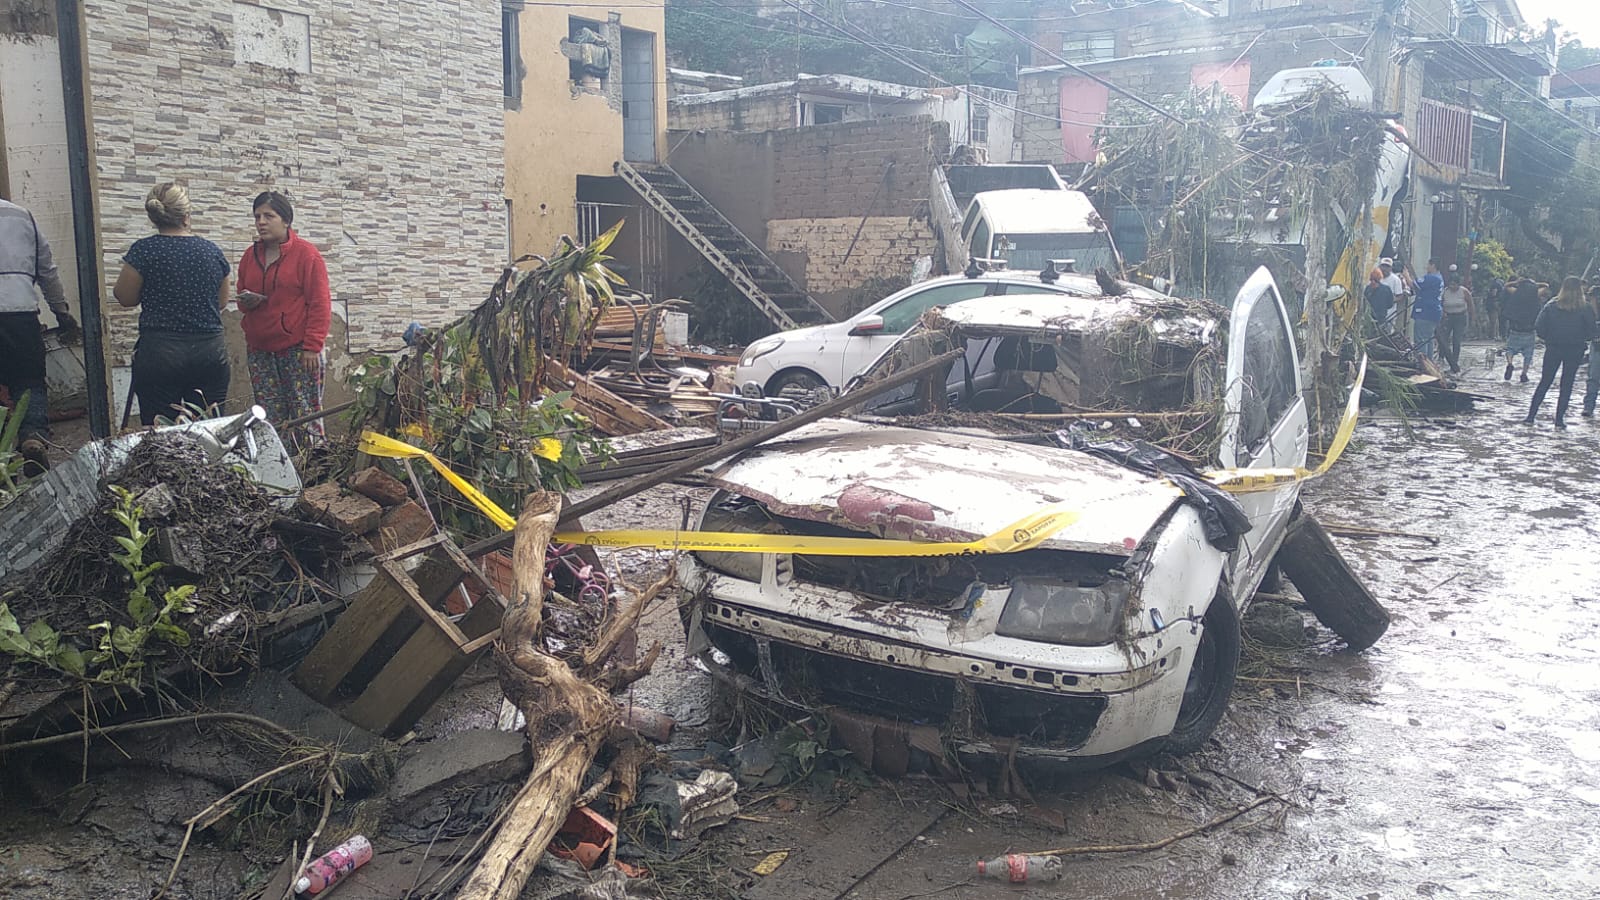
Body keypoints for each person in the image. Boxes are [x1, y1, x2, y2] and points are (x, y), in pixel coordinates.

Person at [113, 182, 232, 425]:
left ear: (154, 217)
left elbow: (125, 298)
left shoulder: (144, 251)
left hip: (161, 355)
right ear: (186, 216)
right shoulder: (212, 252)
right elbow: (221, 302)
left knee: (161, 432)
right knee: (208, 428)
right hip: (209, 353)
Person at [235, 191, 330, 447]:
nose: (261, 222)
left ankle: (314, 466)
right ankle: (279, 464)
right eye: (257, 217)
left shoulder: (306, 255)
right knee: (270, 416)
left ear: (286, 220)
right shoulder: (250, 256)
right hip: (261, 351)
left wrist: (312, 346)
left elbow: (320, 303)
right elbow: (240, 296)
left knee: (304, 412)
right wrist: (247, 301)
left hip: (298, 350)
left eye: (269, 216)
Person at [0, 194, 78, 475]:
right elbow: (47, 271)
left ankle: (2, 459)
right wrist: (61, 312)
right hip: (20, 313)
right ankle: (32, 436)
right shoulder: (22, 216)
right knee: (29, 381)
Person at [1524, 276, 1597, 429]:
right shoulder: (1586, 308)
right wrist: (1581, 338)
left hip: (1554, 348)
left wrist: (1549, 338)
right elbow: (1592, 331)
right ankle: (1559, 420)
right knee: (1567, 383)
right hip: (1575, 349)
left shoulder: (1551, 305)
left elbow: (1539, 326)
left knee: (1545, 381)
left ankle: (1531, 416)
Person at [1501, 276, 1541, 382]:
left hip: (1515, 328)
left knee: (1510, 349)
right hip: (1529, 329)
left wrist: (1517, 282)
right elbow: (1546, 286)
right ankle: (1524, 374)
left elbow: (1506, 286)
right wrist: (1533, 283)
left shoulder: (1515, 293)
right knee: (1528, 354)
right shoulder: (1535, 294)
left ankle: (1510, 363)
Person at [1438, 274, 1473, 374]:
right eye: (1451, 284)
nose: (1452, 287)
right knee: (1444, 338)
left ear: (1458, 284)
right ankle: (1441, 358)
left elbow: (1470, 304)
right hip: (1448, 317)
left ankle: (1454, 362)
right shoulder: (1445, 291)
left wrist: (1472, 317)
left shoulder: (1464, 291)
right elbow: (1440, 303)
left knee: (1456, 340)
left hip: (1460, 317)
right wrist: (1442, 313)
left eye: (1454, 284)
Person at [1411, 259, 1445, 360]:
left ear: (1433, 265)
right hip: (1434, 312)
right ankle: (1429, 361)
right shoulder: (1439, 278)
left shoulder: (1431, 278)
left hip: (1425, 312)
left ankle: (1422, 363)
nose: (1426, 267)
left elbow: (1414, 285)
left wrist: (1406, 275)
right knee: (1428, 339)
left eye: (1428, 265)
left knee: (1421, 339)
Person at [1585, 284, 1600, 418]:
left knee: (1593, 377)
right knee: (1593, 377)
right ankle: (1588, 406)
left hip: (1596, 344)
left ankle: (1589, 406)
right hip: (1597, 344)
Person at [1364, 268, 1395, 333]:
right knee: (1381, 334)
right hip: (1381, 318)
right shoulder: (1386, 289)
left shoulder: (1368, 289)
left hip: (1369, 318)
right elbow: (1390, 304)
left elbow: (1364, 303)